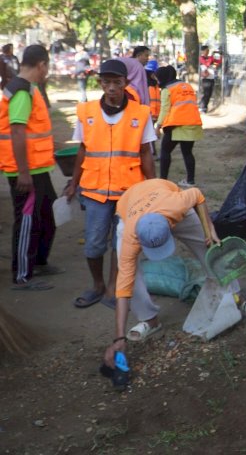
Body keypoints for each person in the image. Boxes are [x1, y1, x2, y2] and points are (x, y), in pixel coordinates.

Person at [103, 179, 246, 366]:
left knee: (209, 249)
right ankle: (150, 320)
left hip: (165, 200)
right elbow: (123, 289)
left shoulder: (177, 205)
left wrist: (209, 229)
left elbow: (198, 195)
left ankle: (236, 298)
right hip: (129, 210)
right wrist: (118, 338)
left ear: (170, 227)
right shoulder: (130, 236)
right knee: (129, 275)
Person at [64, 59, 157, 309]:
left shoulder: (140, 113)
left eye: (117, 82)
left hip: (129, 192)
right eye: (107, 82)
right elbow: (82, 149)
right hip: (94, 191)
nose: (112, 87)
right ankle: (97, 285)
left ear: (126, 83)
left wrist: (154, 186)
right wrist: (74, 183)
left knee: (121, 244)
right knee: (94, 244)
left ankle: (114, 287)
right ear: (100, 83)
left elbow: (146, 152)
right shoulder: (86, 112)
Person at [0, 45, 58, 288]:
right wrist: (23, 172)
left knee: (46, 215)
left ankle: (39, 261)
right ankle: (22, 275)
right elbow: (17, 130)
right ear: (42, 65)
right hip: (25, 171)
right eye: (47, 67)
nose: (47, 71)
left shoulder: (28, 88)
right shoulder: (22, 90)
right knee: (26, 221)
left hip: (37, 167)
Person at [154, 65, 203, 187]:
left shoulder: (167, 90)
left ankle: (163, 180)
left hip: (176, 124)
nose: (157, 81)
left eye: (157, 79)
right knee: (187, 152)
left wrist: (158, 126)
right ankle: (190, 181)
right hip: (192, 123)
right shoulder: (187, 86)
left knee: (165, 151)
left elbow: (165, 109)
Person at [198, 45, 216, 113]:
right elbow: (207, 64)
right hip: (206, 79)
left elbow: (217, 62)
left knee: (209, 94)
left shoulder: (210, 58)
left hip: (211, 77)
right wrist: (211, 57)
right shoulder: (201, 58)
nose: (208, 52)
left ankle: (203, 106)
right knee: (206, 93)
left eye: (208, 50)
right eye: (206, 50)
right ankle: (202, 107)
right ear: (203, 51)